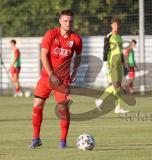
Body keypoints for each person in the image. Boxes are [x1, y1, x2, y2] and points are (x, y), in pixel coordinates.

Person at [28, 9, 82, 149]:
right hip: (46, 77)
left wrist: (75, 71)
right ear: (60, 21)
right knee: (37, 105)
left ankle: (63, 142)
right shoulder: (51, 34)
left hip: (63, 80)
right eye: (65, 21)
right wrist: (51, 74)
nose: (68, 23)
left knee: (63, 109)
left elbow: (78, 56)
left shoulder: (76, 39)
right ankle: (36, 139)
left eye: (70, 21)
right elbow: (43, 55)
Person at [95, 16, 129, 114]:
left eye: (118, 25)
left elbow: (121, 51)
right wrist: (105, 63)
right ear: (111, 25)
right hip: (112, 63)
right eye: (114, 25)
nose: (116, 27)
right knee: (115, 85)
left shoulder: (120, 37)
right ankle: (100, 100)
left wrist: (123, 63)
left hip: (119, 64)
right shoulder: (108, 36)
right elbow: (105, 50)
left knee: (119, 86)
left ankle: (117, 108)